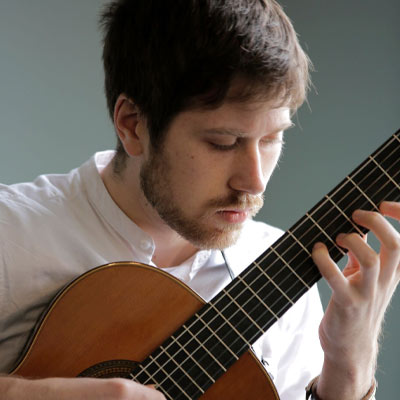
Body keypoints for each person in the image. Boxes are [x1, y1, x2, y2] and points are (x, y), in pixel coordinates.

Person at [0, 0, 399, 399]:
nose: (255, 181)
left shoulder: (283, 272)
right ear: (133, 125)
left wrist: (350, 364)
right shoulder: (11, 233)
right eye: (223, 142)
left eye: (272, 138)